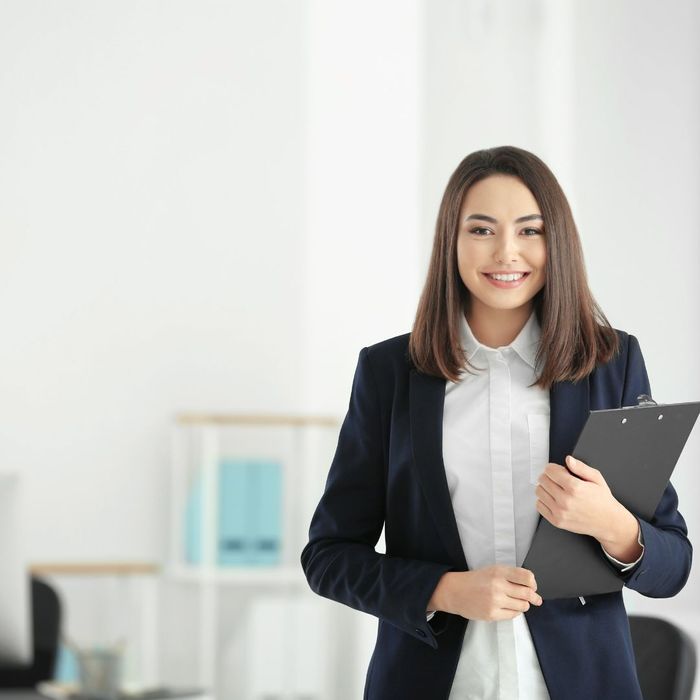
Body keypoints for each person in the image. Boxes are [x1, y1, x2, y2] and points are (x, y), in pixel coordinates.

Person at [299, 145, 692, 700]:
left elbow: (673, 565)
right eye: (481, 230)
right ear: (451, 242)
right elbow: (328, 556)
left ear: (556, 242)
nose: (507, 252)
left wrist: (614, 526)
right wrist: (442, 590)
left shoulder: (612, 362)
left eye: (529, 230)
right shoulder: (389, 373)